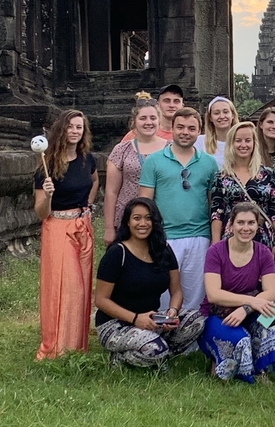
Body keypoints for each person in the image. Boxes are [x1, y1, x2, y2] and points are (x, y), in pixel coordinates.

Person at [94, 198, 205, 367]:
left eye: (148, 218)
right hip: (116, 323)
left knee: (196, 320)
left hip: (153, 320)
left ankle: (157, 353)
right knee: (156, 349)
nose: (143, 223)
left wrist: (172, 313)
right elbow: (101, 300)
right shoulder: (117, 253)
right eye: (137, 218)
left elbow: (176, 292)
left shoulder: (163, 250)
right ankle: (122, 359)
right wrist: (135, 319)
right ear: (128, 222)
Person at [33, 109, 99, 360]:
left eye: (79, 127)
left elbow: (94, 182)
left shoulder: (87, 159)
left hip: (83, 226)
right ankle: (57, 349)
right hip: (58, 228)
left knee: (82, 288)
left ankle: (77, 346)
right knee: (65, 287)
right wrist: (48, 195)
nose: (75, 131)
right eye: (70, 126)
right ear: (61, 130)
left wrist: (89, 205)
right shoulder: (46, 166)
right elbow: (40, 213)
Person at [138, 107, 218, 312]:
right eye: (180, 127)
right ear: (171, 128)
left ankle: (190, 338)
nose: (185, 132)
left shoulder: (209, 163)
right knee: (164, 293)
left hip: (199, 235)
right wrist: (148, 236)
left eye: (191, 128)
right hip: (164, 236)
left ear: (199, 130)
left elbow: (213, 204)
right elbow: (144, 203)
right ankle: (165, 334)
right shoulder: (154, 161)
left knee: (195, 293)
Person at [198, 202, 275, 382]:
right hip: (218, 313)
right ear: (230, 225)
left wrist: (246, 308)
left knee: (273, 317)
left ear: (257, 226)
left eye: (251, 223)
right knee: (241, 341)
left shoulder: (263, 252)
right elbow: (214, 294)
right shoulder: (215, 251)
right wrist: (252, 301)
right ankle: (227, 363)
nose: (245, 228)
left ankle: (262, 368)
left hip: (248, 311)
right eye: (240, 223)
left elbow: (271, 292)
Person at [210, 121, 275, 260]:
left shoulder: (268, 174)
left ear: (254, 143)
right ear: (231, 144)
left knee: (263, 279)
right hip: (231, 237)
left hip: (262, 236)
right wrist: (215, 244)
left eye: (247, 140)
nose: (243, 145)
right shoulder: (221, 176)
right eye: (238, 141)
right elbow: (217, 212)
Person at [104, 93, 169, 246]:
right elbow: (111, 191)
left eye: (153, 118)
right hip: (127, 218)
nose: (148, 122)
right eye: (143, 118)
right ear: (134, 122)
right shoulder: (122, 149)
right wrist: (108, 227)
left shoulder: (170, 149)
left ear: (159, 121)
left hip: (160, 218)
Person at [195, 96, 239, 166]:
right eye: (216, 113)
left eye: (226, 112)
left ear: (232, 115)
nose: (222, 116)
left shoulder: (242, 142)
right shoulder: (200, 141)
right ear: (210, 118)